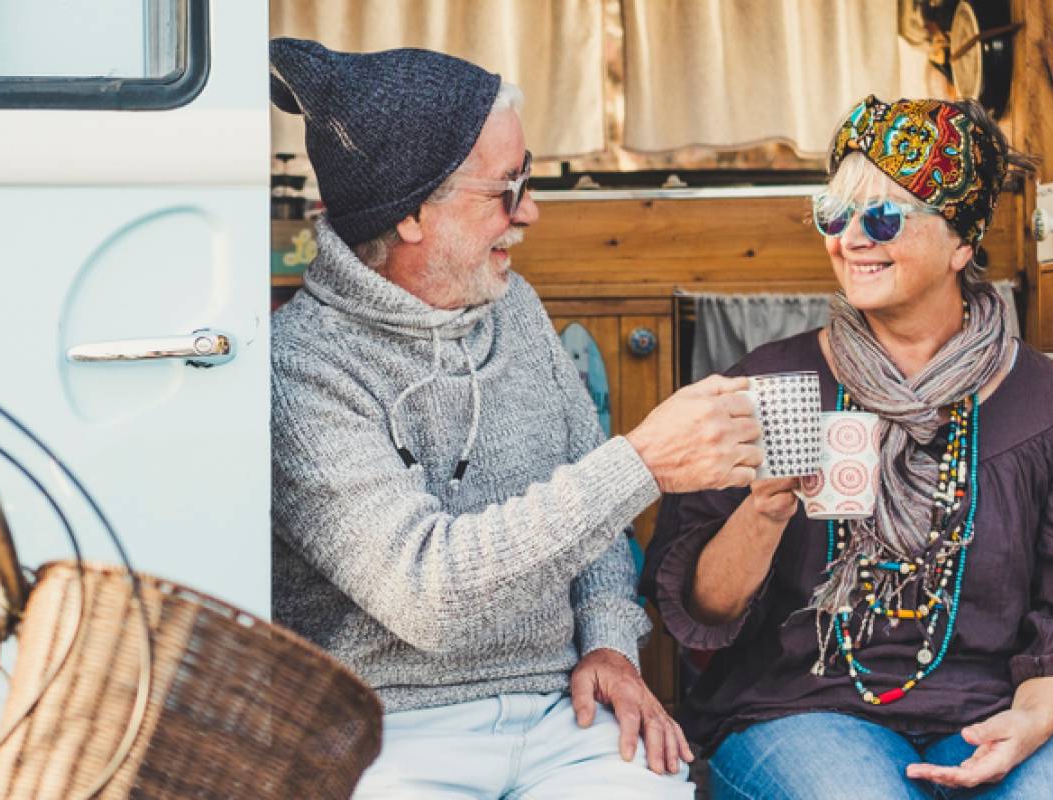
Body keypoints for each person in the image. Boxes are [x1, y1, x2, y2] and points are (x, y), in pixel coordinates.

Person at [268, 38, 762, 798]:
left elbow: (592, 520)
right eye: (508, 186)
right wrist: (639, 465)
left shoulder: (514, 308)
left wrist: (608, 642)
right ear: (409, 214)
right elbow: (427, 598)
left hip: (559, 708)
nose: (529, 211)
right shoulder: (299, 365)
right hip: (382, 731)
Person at [643, 95, 1053, 799]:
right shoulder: (766, 385)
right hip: (800, 708)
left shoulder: (1049, 405)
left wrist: (1034, 719)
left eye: (883, 216)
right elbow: (702, 613)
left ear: (962, 242)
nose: (851, 237)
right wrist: (765, 509)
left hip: (993, 707)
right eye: (836, 214)